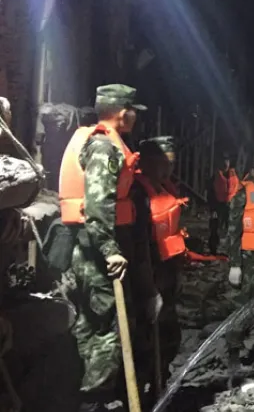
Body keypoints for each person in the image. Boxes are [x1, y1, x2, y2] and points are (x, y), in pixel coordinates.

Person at [58, 84, 156, 411]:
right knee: (109, 327)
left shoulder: (100, 141)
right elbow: (99, 205)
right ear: (121, 112)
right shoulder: (104, 148)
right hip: (98, 249)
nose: (135, 117)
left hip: (90, 246)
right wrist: (111, 249)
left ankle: (92, 395)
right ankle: (95, 399)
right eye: (133, 111)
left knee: (91, 323)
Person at [131, 136, 188, 392]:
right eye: (165, 163)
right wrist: (149, 289)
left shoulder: (165, 189)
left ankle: (159, 382)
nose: (170, 169)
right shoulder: (137, 194)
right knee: (144, 338)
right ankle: (141, 391)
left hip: (166, 272)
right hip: (147, 277)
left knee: (168, 337)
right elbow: (138, 244)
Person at [224, 151, 254, 376]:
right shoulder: (243, 193)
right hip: (249, 259)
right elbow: (233, 231)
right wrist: (234, 263)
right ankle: (234, 355)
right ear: (252, 171)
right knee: (242, 309)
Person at [208, 154, 239, 254]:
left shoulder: (235, 175)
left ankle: (230, 250)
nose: (226, 164)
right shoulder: (214, 177)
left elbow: (238, 191)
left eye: (227, 161)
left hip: (231, 206)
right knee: (215, 228)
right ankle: (214, 249)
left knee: (232, 229)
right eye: (224, 162)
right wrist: (212, 209)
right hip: (218, 206)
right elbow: (210, 194)